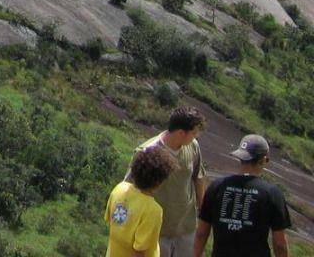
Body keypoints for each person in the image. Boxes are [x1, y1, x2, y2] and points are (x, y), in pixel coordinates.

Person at [128, 106, 207, 257]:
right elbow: (130, 188)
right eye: (194, 133)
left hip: (185, 229)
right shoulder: (147, 152)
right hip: (156, 230)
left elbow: (198, 178)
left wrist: (203, 211)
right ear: (181, 133)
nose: (196, 136)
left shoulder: (193, 146)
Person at [195, 135, 292, 257]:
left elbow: (201, 233)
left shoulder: (217, 186)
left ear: (240, 158)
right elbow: (279, 244)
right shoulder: (272, 193)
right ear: (263, 160)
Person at [109, 145, 180, 257]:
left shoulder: (119, 188)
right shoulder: (153, 211)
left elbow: (111, 222)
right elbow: (139, 252)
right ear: (158, 182)